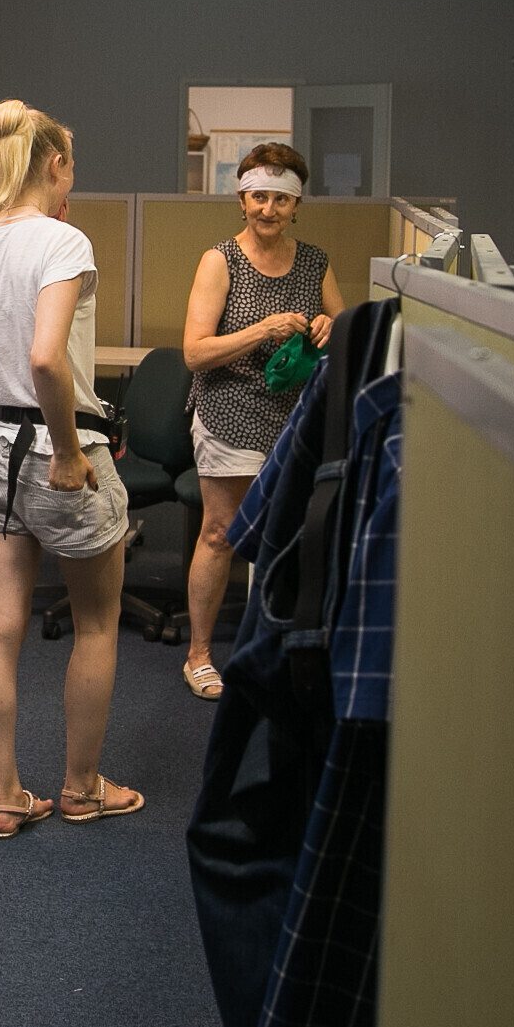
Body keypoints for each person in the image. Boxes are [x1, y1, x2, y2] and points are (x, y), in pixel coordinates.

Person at [0, 99, 144, 838]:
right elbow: (45, 357)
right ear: (55, 163)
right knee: (96, 624)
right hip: (61, 452)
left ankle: (7, 797)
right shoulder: (63, 241)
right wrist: (66, 451)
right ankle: (81, 789)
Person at [177, 143, 344, 701]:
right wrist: (261, 330)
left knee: (290, 535)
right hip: (229, 412)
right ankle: (200, 656)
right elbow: (194, 353)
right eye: (258, 197)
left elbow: (346, 331)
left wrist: (329, 327)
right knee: (221, 532)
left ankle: (274, 651)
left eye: (280, 199)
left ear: (296, 206)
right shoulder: (220, 260)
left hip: (294, 418)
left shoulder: (315, 262)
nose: (268, 209)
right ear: (242, 200)